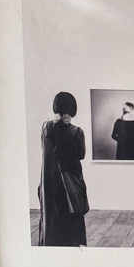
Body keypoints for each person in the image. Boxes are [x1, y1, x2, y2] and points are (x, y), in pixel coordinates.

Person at [38, 91, 88, 247]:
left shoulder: (45, 129)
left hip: (49, 182)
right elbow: (81, 155)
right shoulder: (77, 132)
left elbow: (46, 153)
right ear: (72, 109)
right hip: (70, 182)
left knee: (52, 217)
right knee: (71, 218)